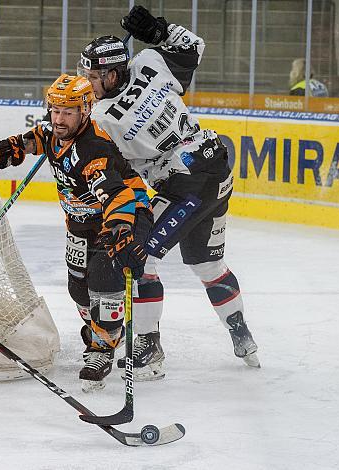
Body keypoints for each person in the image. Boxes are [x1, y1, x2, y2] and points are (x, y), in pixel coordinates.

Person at [76, 6, 260, 380]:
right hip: (215, 168)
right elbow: (191, 48)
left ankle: (149, 347)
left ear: (113, 73)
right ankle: (242, 335)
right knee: (207, 264)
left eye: (93, 76)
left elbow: (193, 46)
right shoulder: (148, 63)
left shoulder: (102, 117)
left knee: (140, 258)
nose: (88, 83)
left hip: (185, 185)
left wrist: (156, 29)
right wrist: (159, 34)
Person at [0, 74, 153, 391]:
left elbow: (117, 195)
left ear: (86, 110)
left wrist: (121, 229)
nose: (59, 119)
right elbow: (40, 137)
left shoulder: (93, 149)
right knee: (78, 287)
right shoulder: (56, 132)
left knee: (104, 271)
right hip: (83, 221)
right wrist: (13, 148)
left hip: (125, 214)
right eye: (55, 110)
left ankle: (103, 348)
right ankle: (101, 326)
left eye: (68, 112)